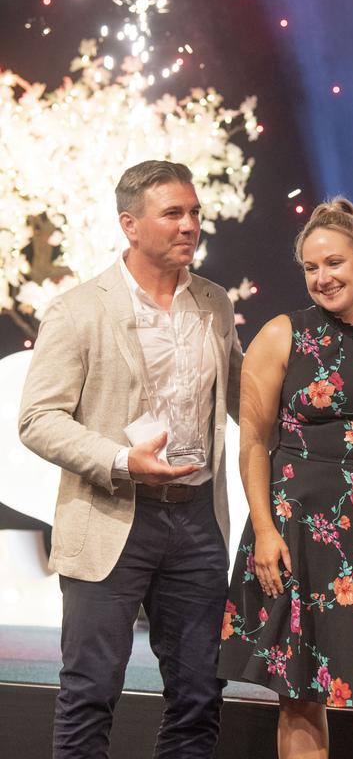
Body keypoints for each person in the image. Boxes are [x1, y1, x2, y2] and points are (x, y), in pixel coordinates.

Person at [18, 160, 242, 759]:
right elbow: (37, 420)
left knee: (199, 694)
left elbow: (249, 404)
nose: (190, 225)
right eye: (173, 213)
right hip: (112, 512)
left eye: (195, 212)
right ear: (130, 225)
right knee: (90, 692)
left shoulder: (215, 305)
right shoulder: (78, 309)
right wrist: (121, 459)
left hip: (196, 520)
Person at [218, 198, 353, 759]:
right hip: (295, 528)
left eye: (333, 263)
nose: (322, 278)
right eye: (311, 268)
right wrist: (263, 530)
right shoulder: (281, 334)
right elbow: (254, 443)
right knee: (299, 693)